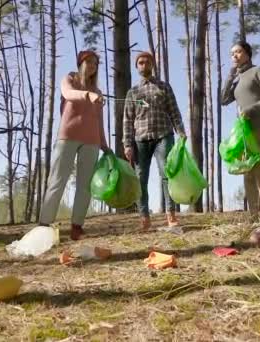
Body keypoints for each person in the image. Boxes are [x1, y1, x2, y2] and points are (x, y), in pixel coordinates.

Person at [39, 50, 110, 240]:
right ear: (81, 63)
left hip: (92, 141)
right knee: (57, 180)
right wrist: (87, 95)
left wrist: (104, 143)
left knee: (84, 185)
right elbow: (68, 94)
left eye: (96, 63)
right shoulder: (69, 79)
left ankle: (77, 226)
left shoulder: (98, 92)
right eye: (89, 62)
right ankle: (44, 224)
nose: (93, 66)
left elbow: (99, 120)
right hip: (68, 136)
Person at [123, 51, 187, 231]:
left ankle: (171, 215)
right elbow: (127, 120)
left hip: (163, 136)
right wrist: (127, 144)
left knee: (167, 174)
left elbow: (174, 110)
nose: (144, 65)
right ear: (137, 67)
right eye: (140, 63)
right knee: (140, 177)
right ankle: (144, 217)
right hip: (140, 140)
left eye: (147, 62)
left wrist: (181, 131)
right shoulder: (132, 92)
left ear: (152, 65)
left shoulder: (164, 87)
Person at [221, 41, 260, 222]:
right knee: (247, 171)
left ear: (247, 53)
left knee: (259, 168)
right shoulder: (236, 77)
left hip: (259, 124)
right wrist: (230, 77)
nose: (234, 56)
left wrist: (251, 109)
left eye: (238, 52)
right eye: (232, 53)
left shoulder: (257, 71)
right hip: (243, 129)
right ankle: (252, 216)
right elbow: (223, 100)